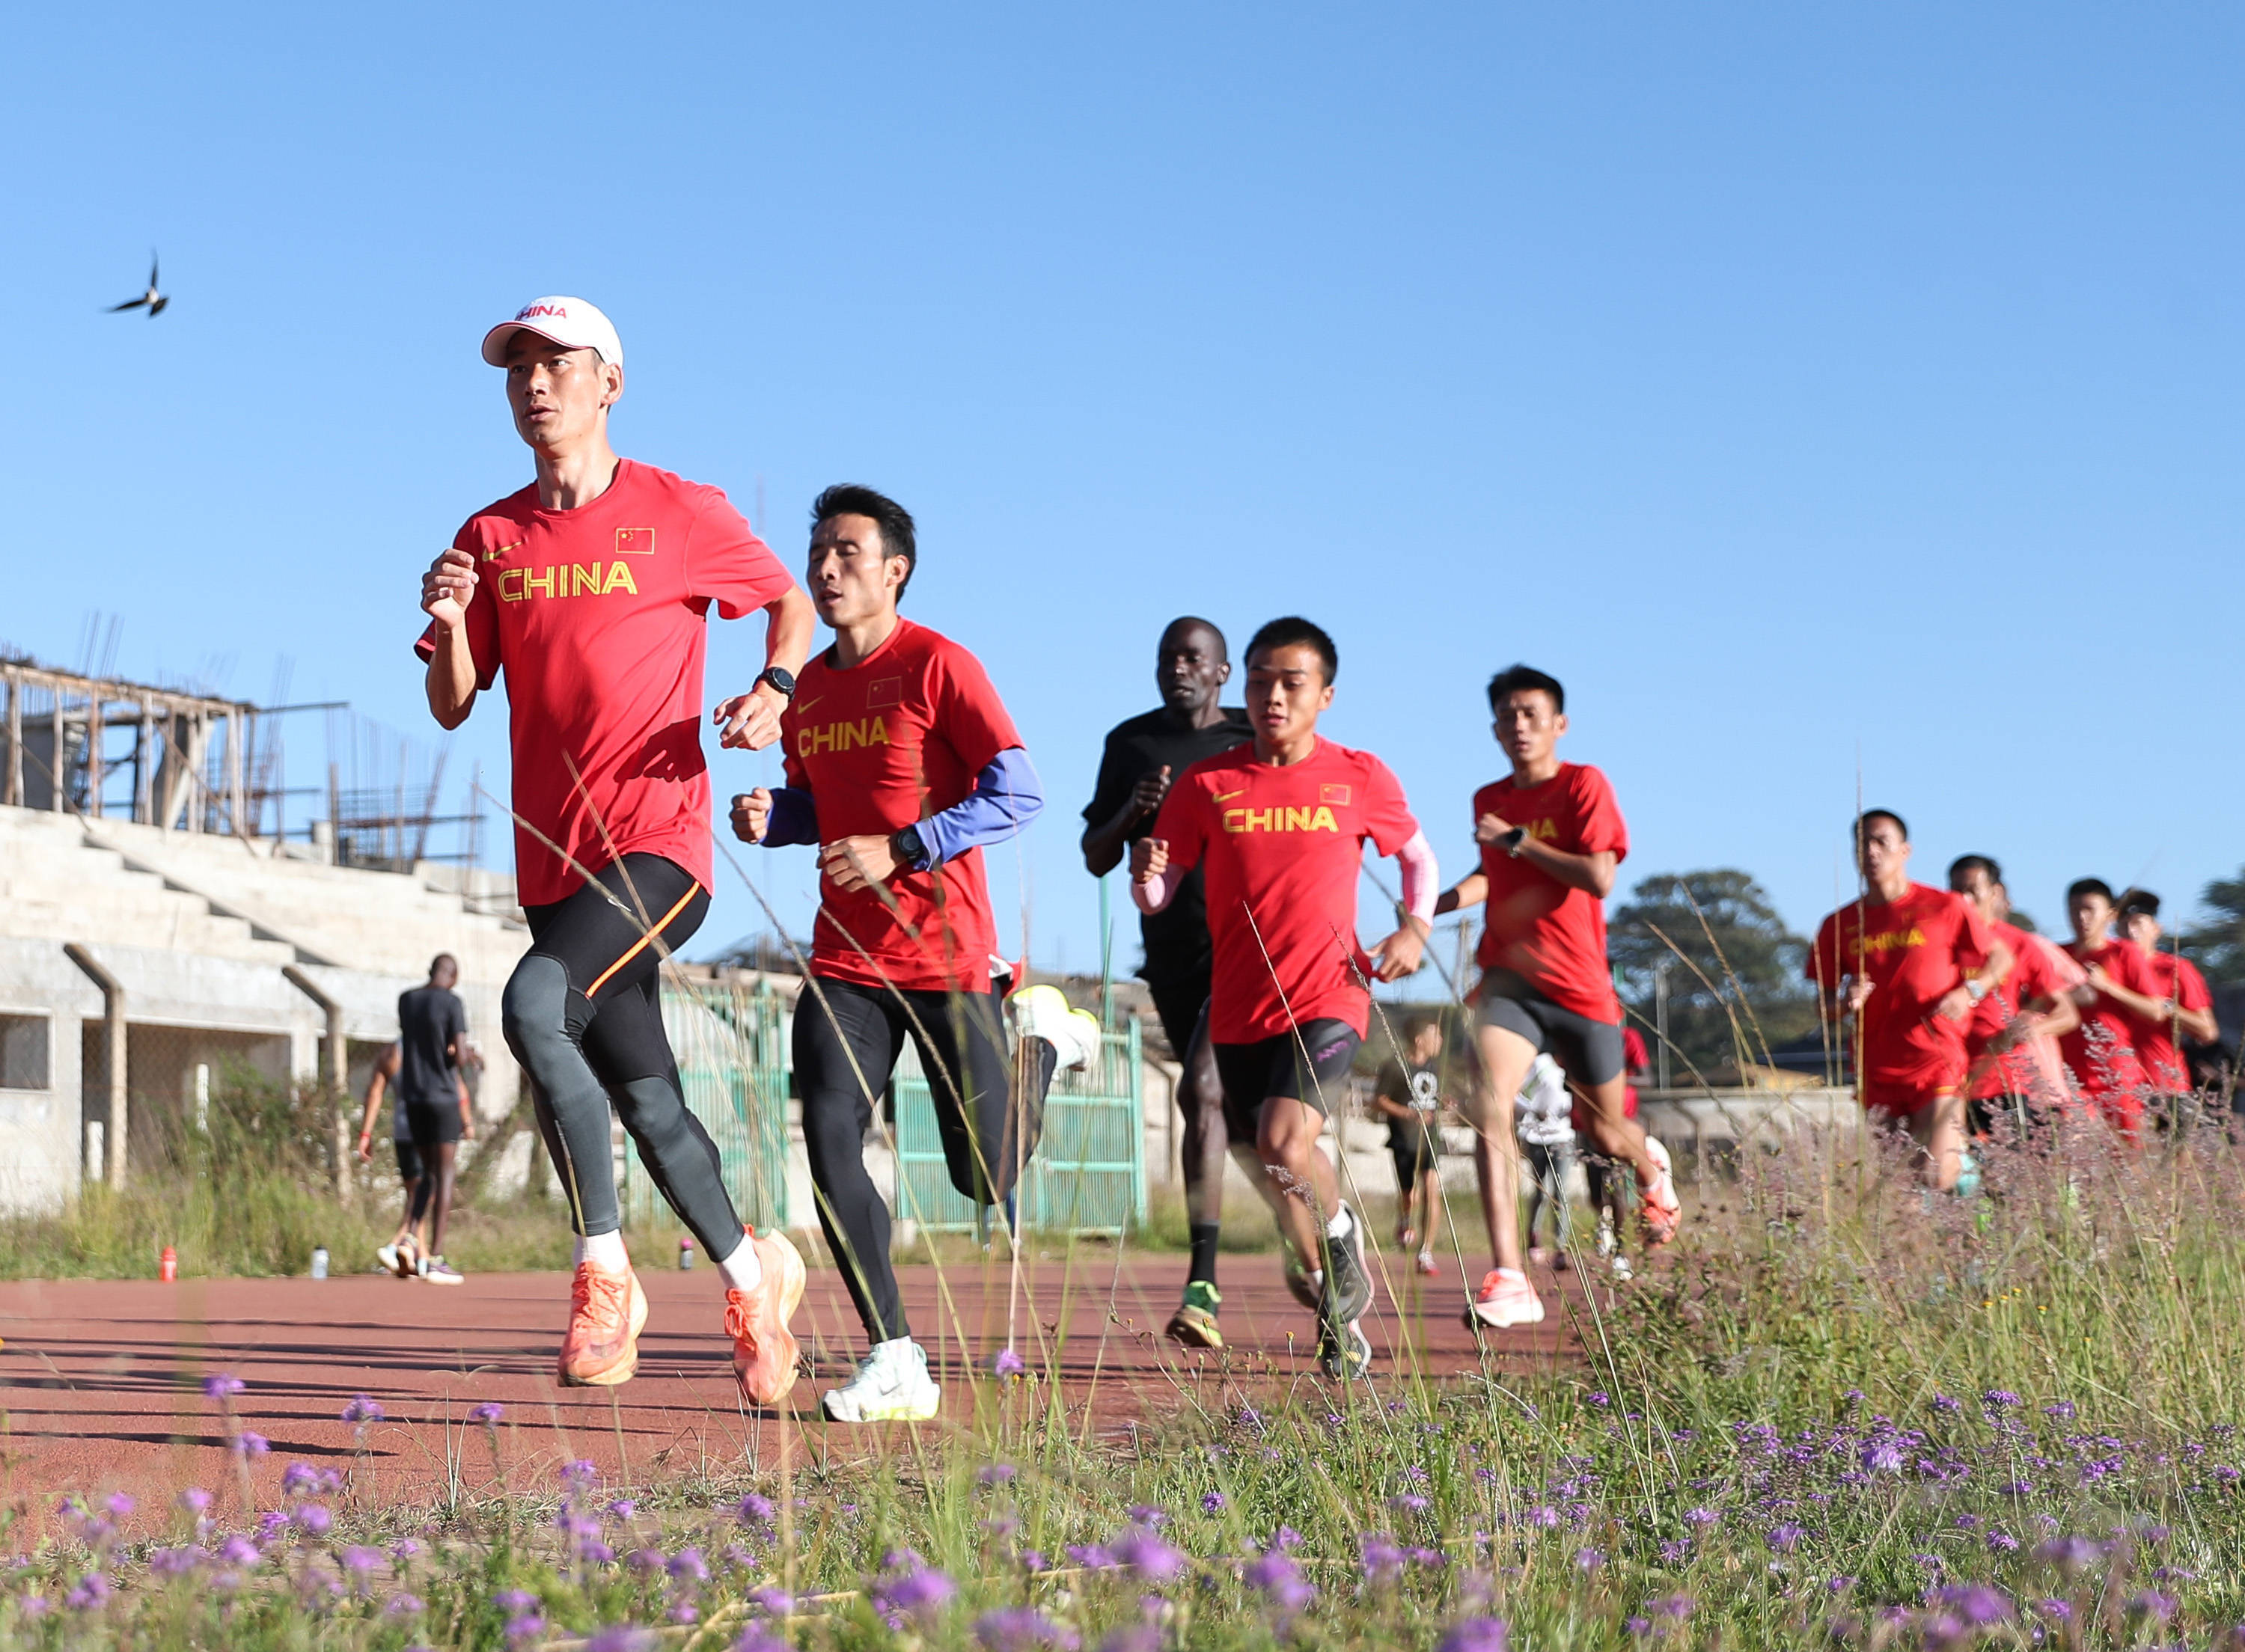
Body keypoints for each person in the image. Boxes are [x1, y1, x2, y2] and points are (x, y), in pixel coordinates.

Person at [416, 295, 815, 1402]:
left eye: (557, 364)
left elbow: (786, 604)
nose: (534, 385)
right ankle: (753, 1274)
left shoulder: (678, 511)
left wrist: (775, 689)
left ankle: (606, 1276)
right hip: (554, 866)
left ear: (611, 383)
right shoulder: (488, 537)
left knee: (536, 1008)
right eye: (517, 371)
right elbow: (453, 705)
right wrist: (450, 626)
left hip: (659, 844)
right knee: (643, 1098)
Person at [731, 483, 1101, 1423]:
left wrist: (902, 848)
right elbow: (824, 805)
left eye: (848, 552)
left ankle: (1046, 1047)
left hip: (946, 956)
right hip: (847, 959)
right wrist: (779, 819)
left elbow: (1019, 793)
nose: (826, 567)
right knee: (828, 1136)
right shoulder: (809, 688)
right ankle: (895, 1358)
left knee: (983, 1176)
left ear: (895, 569)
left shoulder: (940, 665)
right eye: (818, 551)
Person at [1131, 616, 1435, 1380]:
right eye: (1261, 678)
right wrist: (1146, 874)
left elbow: (1418, 857)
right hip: (1238, 1005)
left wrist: (1415, 929)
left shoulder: (1358, 775)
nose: (1273, 694)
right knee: (1261, 1157)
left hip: (1329, 994)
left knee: (1280, 1143)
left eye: (1291, 682)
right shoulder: (1209, 784)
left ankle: (1336, 1234)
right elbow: (1161, 891)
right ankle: (1336, 1298)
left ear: (1324, 695)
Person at [1432, 665, 1677, 1332]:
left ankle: (1649, 1165)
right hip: (1510, 981)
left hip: (1580, 986)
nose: (1519, 725)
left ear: (1558, 724)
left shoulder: (1583, 785)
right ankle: (1511, 1276)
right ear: (1494, 728)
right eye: (1507, 715)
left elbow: (1598, 876)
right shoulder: (1488, 794)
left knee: (1605, 1132)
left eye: (1531, 714)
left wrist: (1519, 839)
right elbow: (1493, 875)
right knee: (1487, 1105)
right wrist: (1433, 906)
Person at [1080, 618, 1252, 1348]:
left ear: (1222, 671)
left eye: (1193, 659)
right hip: (1172, 959)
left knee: (1203, 1092)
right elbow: (1094, 854)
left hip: (1252, 951)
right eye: (1166, 659)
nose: (1176, 669)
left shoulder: (1252, 738)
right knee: (1241, 1127)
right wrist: (1134, 809)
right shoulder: (1132, 744)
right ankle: (1323, 1243)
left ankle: (1203, 1284)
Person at [1806, 812, 2012, 1190]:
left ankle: (1966, 1172)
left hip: (1936, 1058)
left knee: (1935, 1174)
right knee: (1898, 1186)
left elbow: (2000, 958)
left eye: (1881, 841)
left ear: (1905, 850)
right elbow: (1821, 1007)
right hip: (1877, 1066)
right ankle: (1942, 1232)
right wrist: (1843, 1002)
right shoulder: (1839, 924)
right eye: (1862, 843)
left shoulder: (1944, 906)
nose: (1870, 851)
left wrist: (1970, 992)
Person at [1946, 857, 2082, 1136]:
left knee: (2015, 1169)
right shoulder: (1939, 942)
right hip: (1949, 1075)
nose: (1965, 899)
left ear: (1995, 893)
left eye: (1973, 890)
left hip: (2004, 1078)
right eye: (1957, 891)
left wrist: (2030, 1028)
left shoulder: (2020, 943)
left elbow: (2068, 1013)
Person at [2059, 879, 2166, 1139]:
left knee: (2129, 1159)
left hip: (2117, 1075)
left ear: (2110, 915)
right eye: (2074, 909)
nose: (2081, 917)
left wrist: (2109, 988)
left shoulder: (2124, 953)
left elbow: (2156, 1011)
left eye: (2089, 909)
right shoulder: (2057, 954)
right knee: (2071, 1157)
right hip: (2067, 1075)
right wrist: (2066, 996)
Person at [2115, 889, 2218, 1107]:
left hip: (2165, 1086)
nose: (2132, 932)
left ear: (2156, 929)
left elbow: (2207, 1031)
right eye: (2124, 924)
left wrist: (2167, 1007)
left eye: (2139, 924)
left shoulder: (2175, 969)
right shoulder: (2107, 971)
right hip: (2116, 1086)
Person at [1370, 1017, 1450, 1276]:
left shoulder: (1436, 1067)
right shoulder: (1395, 1067)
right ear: (1419, 1039)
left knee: (1431, 1189)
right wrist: (1406, 1114)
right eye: (1434, 1035)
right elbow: (1378, 1100)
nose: (1439, 1041)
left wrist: (1446, 1103)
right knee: (1410, 1195)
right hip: (1404, 1138)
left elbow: (1438, 1097)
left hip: (1430, 1138)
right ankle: (1404, 1220)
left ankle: (1425, 1252)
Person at [1513, 1053, 1577, 1264]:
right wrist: (1535, 1110)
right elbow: (1516, 1094)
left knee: (1560, 1192)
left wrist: (1573, 1113)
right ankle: (1533, 1238)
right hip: (1536, 1137)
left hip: (1563, 1138)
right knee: (1541, 1191)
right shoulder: (1540, 1064)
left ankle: (1561, 1246)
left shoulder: (1574, 1067)